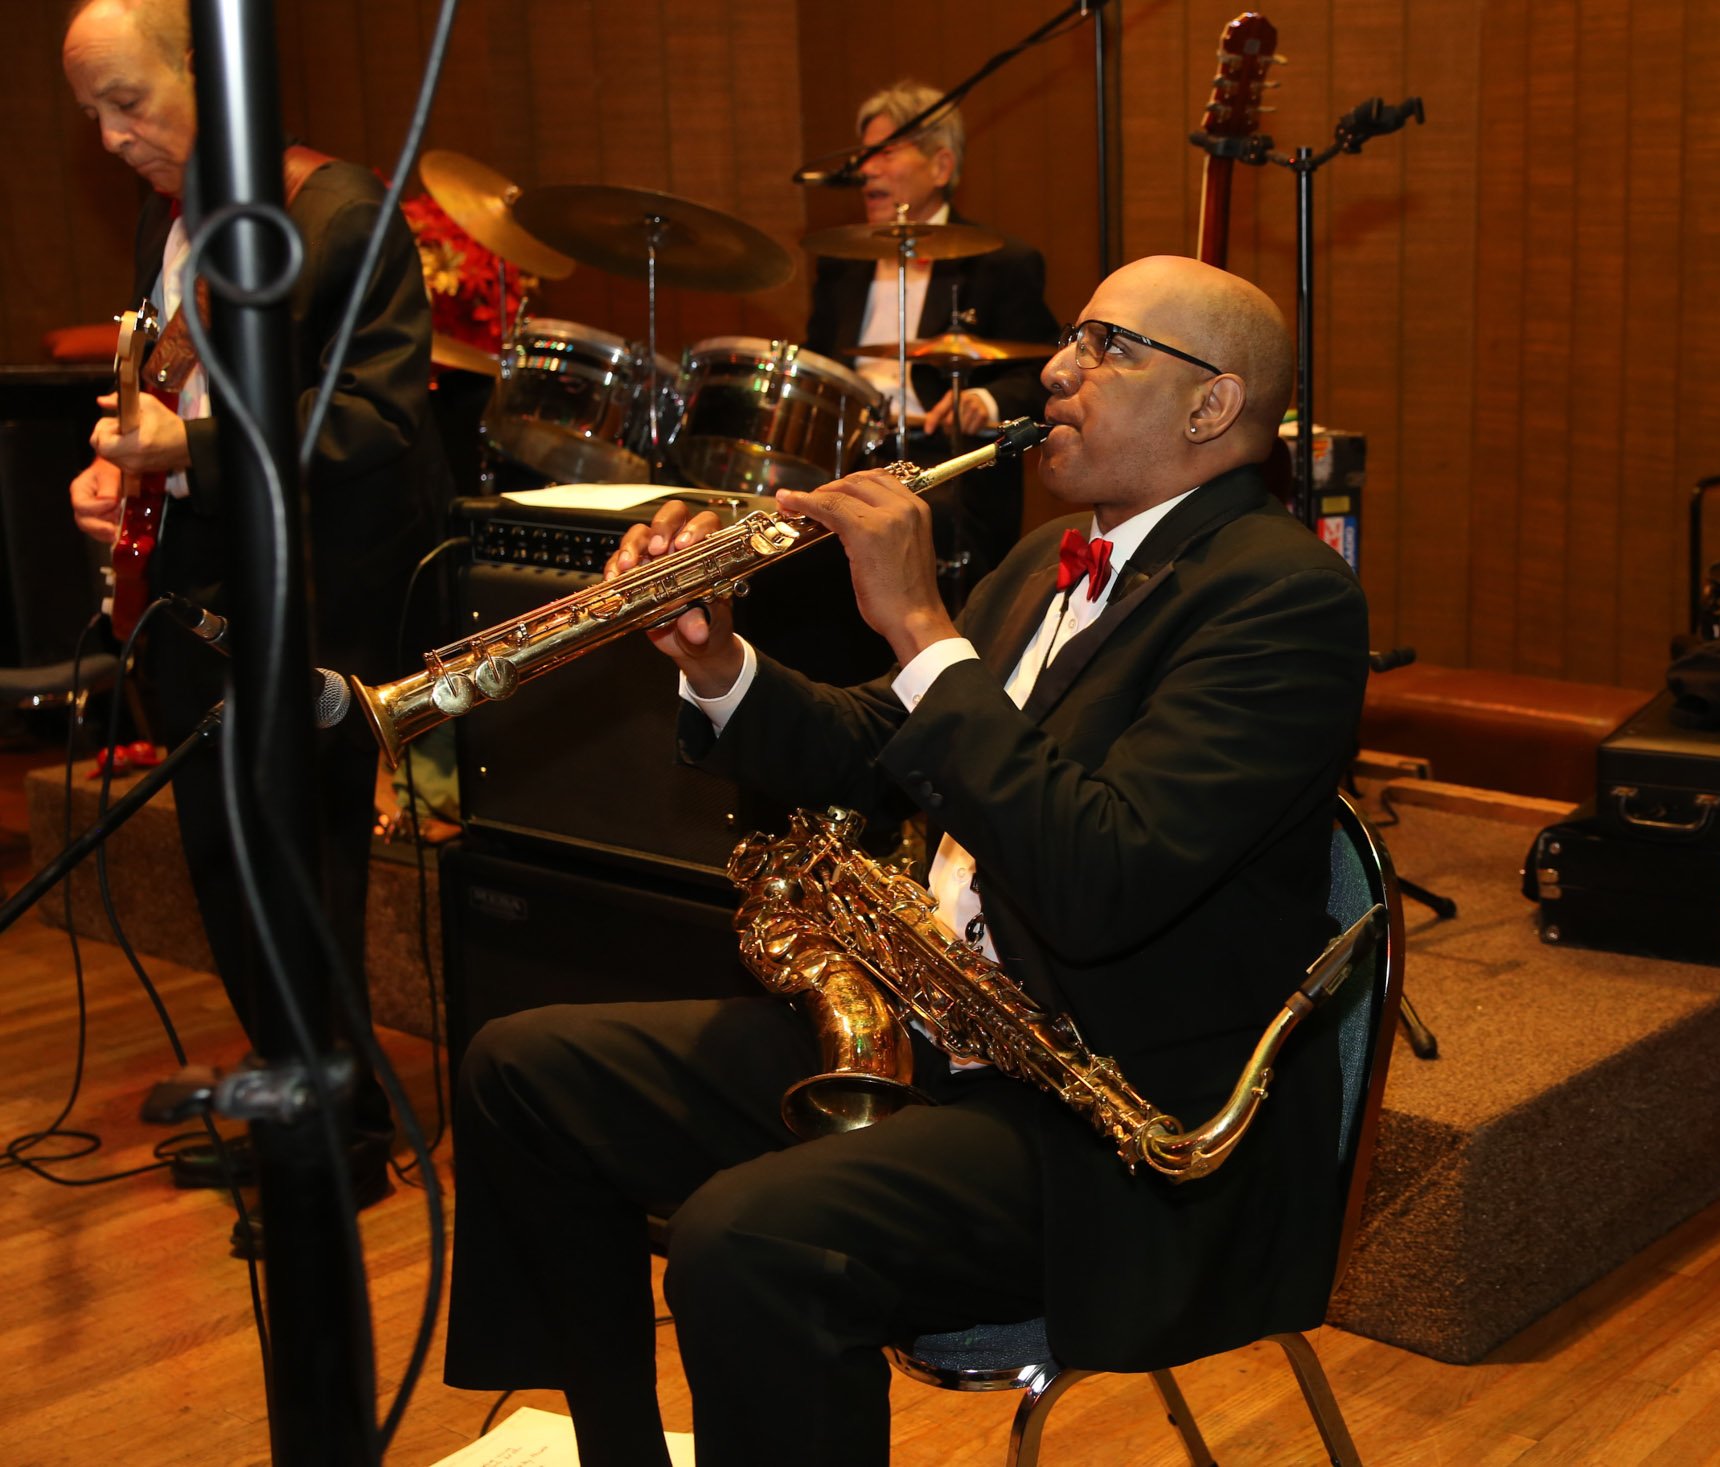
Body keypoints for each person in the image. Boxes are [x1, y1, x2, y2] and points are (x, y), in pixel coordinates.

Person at [445, 254, 1370, 1464]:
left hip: (1107, 1126)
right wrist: (717, 663)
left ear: (1211, 405)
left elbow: (1103, 878)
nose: (1058, 369)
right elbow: (879, 745)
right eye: (1071, 338)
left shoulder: (1286, 598)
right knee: (525, 1071)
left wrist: (923, 624)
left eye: (1106, 347)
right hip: (939, 1036)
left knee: (749, 1240)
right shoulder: (1044, 561)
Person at [61, 0, 445, 1222]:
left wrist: (192, 453)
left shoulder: (340, 214)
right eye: (92, 116)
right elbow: (166, 392)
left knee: (303, 870)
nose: (112, 139)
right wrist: (122, 478)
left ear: (206, 66)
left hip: (318, 600)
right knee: (226, 869)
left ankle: (342, 1138)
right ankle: (295, 1113)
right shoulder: (168, 218)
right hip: (199, 594)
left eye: (128, 102)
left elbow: (378, 421)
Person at [806, 80, 1059, 588]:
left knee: (920, 521)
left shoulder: (1000, 263)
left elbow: (1042, 374)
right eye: (863, 156)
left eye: (885, 154)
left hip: (945, 462)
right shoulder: (842, 265)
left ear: (941, 167)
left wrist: (984, 401)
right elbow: (820, 369)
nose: (865, 169)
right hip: (849, 456)